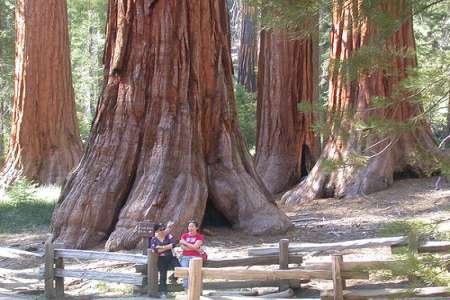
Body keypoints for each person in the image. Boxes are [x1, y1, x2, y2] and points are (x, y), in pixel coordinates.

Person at [149, 222, 180, 298]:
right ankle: (163, 292)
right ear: (156, 231)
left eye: (164, 228)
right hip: (161, 259)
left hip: (171, 257)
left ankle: (173, 278)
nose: (163, 230)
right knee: (163, 276)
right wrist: (167, 247)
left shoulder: (168, 236)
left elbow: (173, 245)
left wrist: (161, 247)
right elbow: (155, 250)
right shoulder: (154, 239)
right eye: (161, 229)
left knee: (179, 269)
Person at [179, 220, 205, 291]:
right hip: (185, 257)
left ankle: (195, 290)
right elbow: (182, 247)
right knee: (185, 273)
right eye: (189, 226)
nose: (190, 228)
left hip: (196, 258)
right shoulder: (184, 235)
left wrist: (185, 242)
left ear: (196, 228)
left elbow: (195, 246)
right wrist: (194, 248)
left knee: (195, 274)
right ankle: (186, 289)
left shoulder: (199, 236)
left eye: (192, 226)